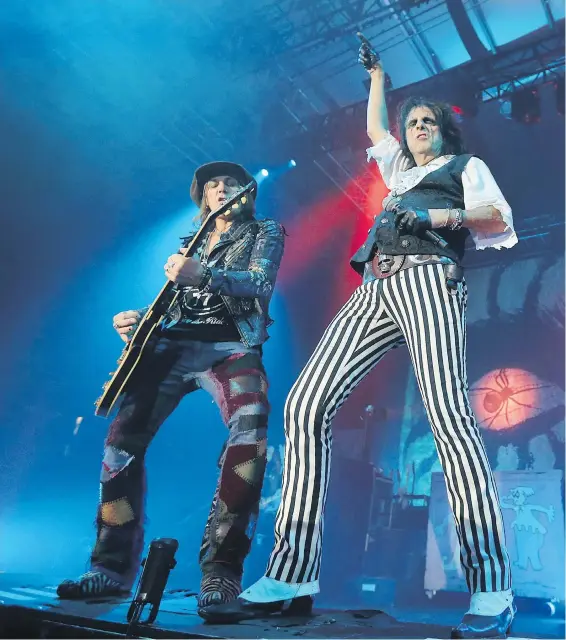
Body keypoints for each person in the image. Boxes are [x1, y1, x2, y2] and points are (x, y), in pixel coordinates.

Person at [201, 42, 518, 640]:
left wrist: (439, 219)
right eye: (412, 122)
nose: (417, 128)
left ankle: (492, 589)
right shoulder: (399, 172)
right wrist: (379, 78)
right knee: (304, 405)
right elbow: (376, 126)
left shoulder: (464, 168)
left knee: (450, 419)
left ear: (445, 131)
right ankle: (292, 576)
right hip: (376, 285)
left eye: (427, 122)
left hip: (430, 283)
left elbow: (497, 220)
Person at [57, 161, 286, 612]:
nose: (220, 189)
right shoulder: (191, 243)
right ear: (202, 197)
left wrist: (202, 275)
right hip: (172, 348)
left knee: (251, 427)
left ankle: (221, 573)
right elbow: (179, 306)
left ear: (246, 193)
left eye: (230, 183)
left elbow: (259, 284)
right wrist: (140, 320)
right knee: (120, 443)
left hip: (230, 346)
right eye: (212, 185)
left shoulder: (265, 231)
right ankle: (109, 570)